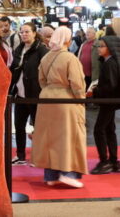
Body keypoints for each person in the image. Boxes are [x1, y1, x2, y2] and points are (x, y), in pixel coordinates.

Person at [31, 26, 87, 188]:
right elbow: (77, 84)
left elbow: (41, 80)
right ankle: (67, 173)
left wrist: (50, 90)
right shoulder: (70, 58)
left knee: (49, 139)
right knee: (68, 137)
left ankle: (51, 176)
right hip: (66, 101)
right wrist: (80, 100)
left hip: (46, 100)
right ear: (67, 39)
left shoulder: (46, 57)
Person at [10, 22, 48, 165]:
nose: (24, 34)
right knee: (19, 125)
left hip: (35, 94)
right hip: (20, 94)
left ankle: (39, 156)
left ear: (34, 33)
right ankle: (20, 155)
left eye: (27, 32)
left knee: (38, 126)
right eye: (22, 32)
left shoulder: (41, 49)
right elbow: (14, 69)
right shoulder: (19, 49)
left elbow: (46, 70)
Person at [89, 36, 120, 174]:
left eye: (102, 46)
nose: (98, 49)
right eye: (98, 46)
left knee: (99, 129)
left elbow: (111, 86)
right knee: (109, 129)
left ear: (110, 48)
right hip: (109, 102)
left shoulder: (110, 63)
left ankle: (105, 161)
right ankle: (113, 160)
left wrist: (95, 91)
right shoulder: (109, 62)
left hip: (109, 101)